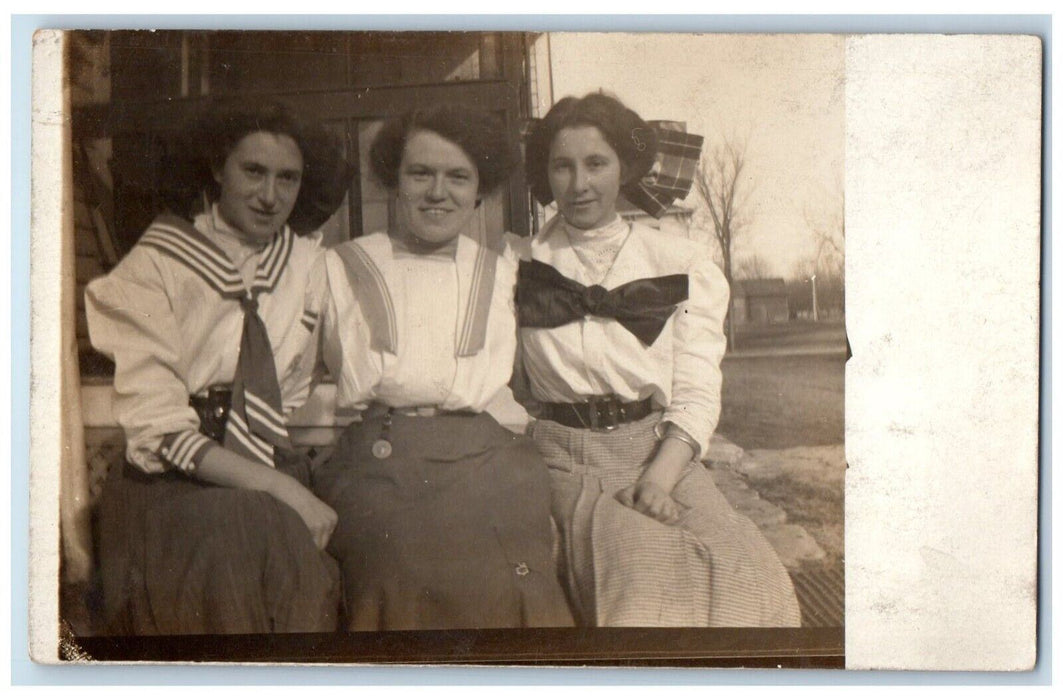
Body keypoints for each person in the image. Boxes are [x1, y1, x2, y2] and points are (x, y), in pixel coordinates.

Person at [518, 92, 802, 627]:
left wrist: (658, 480)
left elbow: (696, 393)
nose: (580, 184)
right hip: (563, 460)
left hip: (660, 451)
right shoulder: (521, 267)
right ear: (545, 174)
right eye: (563, 165)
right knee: (643, 579)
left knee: (753, 580)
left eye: (596, 163)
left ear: (623, 167)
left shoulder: (679, 261)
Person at [85, 99, 350, 635]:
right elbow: (160, 430)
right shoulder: (155, 265)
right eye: (253, 171)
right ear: (216, 168)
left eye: (288, 178)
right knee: (242, 534)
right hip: (173, 485)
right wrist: (285, 492)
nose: (270, 196)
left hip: (271, 465)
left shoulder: (310, 266)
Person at [311, 105, 574, 631]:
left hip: (488, 459)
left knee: (516, 576)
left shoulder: (503, 273)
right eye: (420, 174)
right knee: (397, 572)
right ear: (394, 182)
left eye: (458, 177)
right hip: (382, 462)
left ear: (479, 189)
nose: (438, 192)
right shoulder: (339, 266)